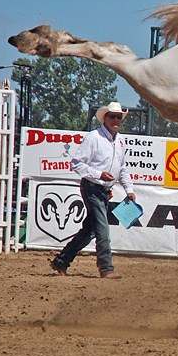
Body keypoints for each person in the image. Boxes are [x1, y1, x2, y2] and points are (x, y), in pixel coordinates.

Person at [50, 102, 135, 279]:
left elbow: (122, 167)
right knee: (102, 229)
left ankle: (61, 261)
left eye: (118, 117)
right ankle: (106, 268)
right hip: (92, 188)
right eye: (112, 116)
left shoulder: (120, 140)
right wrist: (98, 174)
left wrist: (129, 189)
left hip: (103, 190)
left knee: (89, 231)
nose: (116, 120)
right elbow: (77, 163)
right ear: (105, 118)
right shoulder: (93, 137)